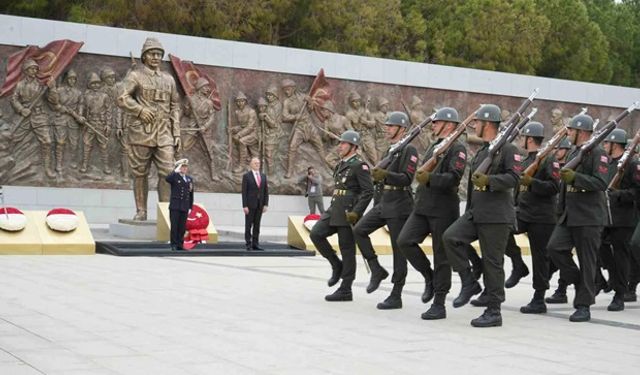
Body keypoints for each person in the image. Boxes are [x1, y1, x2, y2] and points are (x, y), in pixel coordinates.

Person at [442, 104, 521, 327]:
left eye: (477, 122)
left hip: (496, 215)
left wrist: (491, 182)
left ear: (487, 123)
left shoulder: (508, 149)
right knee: (451, 237)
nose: (474, 125)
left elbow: (514, 178)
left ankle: (494, 310)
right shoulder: (484, 151)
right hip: (477, 212)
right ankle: (469, 281)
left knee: (492, 262)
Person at [398, 107, 467, 319]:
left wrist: (430, 179)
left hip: (443, 208)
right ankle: (428, 276)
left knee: (441, 257)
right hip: (423, 206)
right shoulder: (435, 145)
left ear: (448, 124)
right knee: (404, 241)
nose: (433, 126)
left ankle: (439, 302)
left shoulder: (458, 148)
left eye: (436, 123)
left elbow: (454, 177)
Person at [547, 114, 609, 322]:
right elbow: (565, 185)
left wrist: (577, 178)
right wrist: (560, 210)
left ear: (581, 131)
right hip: (569, 215)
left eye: (571, 130)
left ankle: (584, 305)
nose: (569, 133)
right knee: (554, 248)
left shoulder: (598, 153)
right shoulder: (576, 151)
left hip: (589, 216)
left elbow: (601, 183)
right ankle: (583, 285)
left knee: (587, 262)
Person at [354, 111, 418, 309]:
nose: (387, 128)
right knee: (358, 230)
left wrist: (385, 174)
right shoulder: (390, 150)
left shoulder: (410, 149)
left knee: (399, 251)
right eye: (388, 125)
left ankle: (396, 293)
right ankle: (376, 268)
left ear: (402, 129)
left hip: (400, 203)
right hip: (384, 202)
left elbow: (407, 178)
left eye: (391, 126)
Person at [118, 37, 181, 221]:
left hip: (164, 133)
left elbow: (175, 106)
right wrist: (139, 110)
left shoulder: (168, 79)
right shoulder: (135, 76)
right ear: (144, 57)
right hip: (141, 132)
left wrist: (176, 132)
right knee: (140, 173)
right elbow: (122, 97)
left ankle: (165, 213)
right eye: (152, 54)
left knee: (168, 172)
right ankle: (141, 211)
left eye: (159, 54)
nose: (156, 57)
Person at [309, 130, 374, 301]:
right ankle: (336, 265)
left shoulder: (360, 165)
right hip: (334, 209)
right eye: (340, 143)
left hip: (348, 212)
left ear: (353, 147)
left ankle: (346, 289)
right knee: (316, 234)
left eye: (344, 143)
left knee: (347, 250)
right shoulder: (341, 164)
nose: (340, 146)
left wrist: (356, 212)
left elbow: (368, 192)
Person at [509, 122, 560, 314]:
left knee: (540, 258)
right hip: (522, 212)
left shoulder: (548, 160)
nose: (521, 140)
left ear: (529, 138)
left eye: (523, 137)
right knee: (502, 228)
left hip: (542, 217)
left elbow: (554, 187)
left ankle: (539, 299)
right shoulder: (524, 161)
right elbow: (518, 187)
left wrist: (533, 182)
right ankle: (517, 263)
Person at [600, 129, 639, 311]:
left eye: (607, 143)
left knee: (621, 256)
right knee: (599, 246)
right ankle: (609, 280)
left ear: (615, 144)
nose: (605, 146)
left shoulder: (632, 164)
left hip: (623, 218)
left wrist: (619, 194)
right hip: (605, 216)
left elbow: (637, 192)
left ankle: (620, 294)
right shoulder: (608, 163)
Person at [165, 158, 194, 251]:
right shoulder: (175, 177)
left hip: (184, 207)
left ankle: (180, 244)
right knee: (174, 226)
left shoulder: (189, 179)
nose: (185, 169)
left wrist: (190, 206)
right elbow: (167, 179)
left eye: (186, 167)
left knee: (182, 228)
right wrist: (175, 171)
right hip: (175, 206)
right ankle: (173, 244)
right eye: (183, 167)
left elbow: (191, 194)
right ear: (179, 167)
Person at [242, 157, 269, 251]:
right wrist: (244, 205)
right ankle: (248, 244)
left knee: (257, 225)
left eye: (258, 163)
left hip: (260, 205)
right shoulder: (246, 176)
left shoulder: (263, 176)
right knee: (248, 225)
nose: (257, 165)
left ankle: (255, 244)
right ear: (251, 164)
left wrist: (266, 204)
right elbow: (244, 192)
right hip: (250, 205)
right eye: (255, 163)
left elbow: (266, 191)